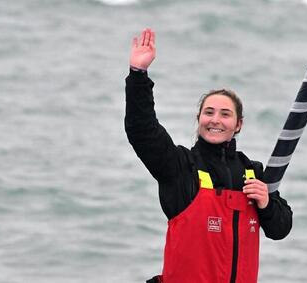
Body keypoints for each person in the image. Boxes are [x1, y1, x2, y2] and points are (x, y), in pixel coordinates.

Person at [125, 28, 292, 283]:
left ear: (238, 125)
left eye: (225, 114)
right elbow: (142, 130)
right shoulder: (180, 167)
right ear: (199, 119)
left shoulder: (253, 173)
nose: (216, 120)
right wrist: (138, 75)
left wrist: (266, 203)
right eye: (209, 112)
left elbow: (280, 229)